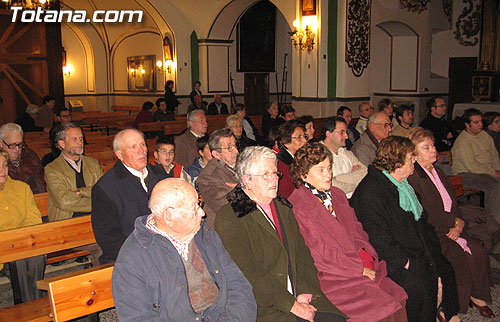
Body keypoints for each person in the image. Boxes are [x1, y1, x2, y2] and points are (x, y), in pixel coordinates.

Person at [215, 146, 348, 322]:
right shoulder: (231, 216)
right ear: (247, 180)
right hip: (265, 306)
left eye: (275, 173)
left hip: (298, 296)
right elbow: (248, 274)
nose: (273, 180)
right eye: (265, 175)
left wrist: (303, 294)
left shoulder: (281, 207)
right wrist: (291, 305)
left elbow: (302, 254)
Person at [288, 143, 408, 322]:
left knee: (398, 295)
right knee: (382, 306)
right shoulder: (298, 205)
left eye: (329, 168)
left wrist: (366, 258)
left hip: (355, 265)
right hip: (331, 277)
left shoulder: (337, 195)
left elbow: (358, 231)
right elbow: (319, 254)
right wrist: (358, 269)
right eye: (320, 170)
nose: (328, 174)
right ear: (303, 174)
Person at [112, 178, 257, 322]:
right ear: (168, 216)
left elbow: (238, 285)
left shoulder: (204, 234)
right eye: (194, 208)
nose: (202, 213)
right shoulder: (133, 257)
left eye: (199, 204)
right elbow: (137, 318)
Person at [350, 136, 460, 322]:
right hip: (394, 258)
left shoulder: (402, 185)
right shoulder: (371, 192)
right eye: (411, 158)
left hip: (416, 247)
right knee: (421, 283)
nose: (414, 161)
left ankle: (444, 313)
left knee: (445, 268)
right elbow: (377, 237)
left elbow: (421, 221)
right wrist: (405, 261)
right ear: (398, 163)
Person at [407, 127, 494, 317]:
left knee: (478, 251)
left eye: (433, 146)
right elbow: (424, 211)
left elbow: (452, 200)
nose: (433, 150)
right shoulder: (414, 176)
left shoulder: (436, 170)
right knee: (458, 257)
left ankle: (477, 295)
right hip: (434, 230)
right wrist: (451, 223)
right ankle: (456, 307)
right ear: (414, 153)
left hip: (452, 225)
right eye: (426, 147)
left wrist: (458, 221)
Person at [91, 129, 169, 264]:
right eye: (133, 147)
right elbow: (109, 239)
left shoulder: (161, 176)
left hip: (166, 248)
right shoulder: (106, 188)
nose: (141, 150)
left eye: (142, 144)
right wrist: (143, 257)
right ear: (120, 154)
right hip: (130, 257)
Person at [44, 123, 103, 266]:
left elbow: (104, 194)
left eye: (81, 138)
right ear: (61, 144)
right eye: (75, 139)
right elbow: (65, 202)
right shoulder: (52, 169)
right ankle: (101, 284)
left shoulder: (93, 164)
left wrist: (80, 192)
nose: (80, 142)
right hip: (68, 226)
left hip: (96, 221)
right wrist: (93, 195)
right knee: (104, 245)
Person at [0, 149, 45, 303]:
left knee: (36, 255)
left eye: (5, 165)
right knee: (19, 259)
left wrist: (21, 241)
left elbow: (33, 219)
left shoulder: (21, 188)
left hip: (22, 244)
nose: (3, 171)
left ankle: (31, 305)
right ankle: (32, 304)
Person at [452, 108, 500, 222]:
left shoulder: (484, 135)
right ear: (467, 125)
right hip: (465, 174)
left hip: (485, 171)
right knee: (493, 185)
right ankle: (494, 221)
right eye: (476, 122)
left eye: (481, 122)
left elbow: (494, 155)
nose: (480, 125)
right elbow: (472, 166)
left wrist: (497, 169)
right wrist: (493, 173)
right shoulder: (463, 141)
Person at [197, 128, 239, 227]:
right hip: (227, 228)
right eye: (229, 148)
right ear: (216, 154)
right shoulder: (207, 178)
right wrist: (243, 189)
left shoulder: (243, 163)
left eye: (235, 145)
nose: (236, 151)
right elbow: (229, 209)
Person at [321, 117, 366, 198]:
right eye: (342, 132)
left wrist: (338, 178)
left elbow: (365, 172)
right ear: (328, 134)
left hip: (354, 199)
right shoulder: (319, 154)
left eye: (346, 132)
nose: (346, 136)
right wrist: (355, 181)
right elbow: (331, 186)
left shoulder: (345, 152)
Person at [0, 123, 46, 194]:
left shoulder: (30, 155)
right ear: (0, 143)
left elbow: (43, 182)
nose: (17, 149)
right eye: (12, 145)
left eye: (20, 144)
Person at [276, 120, 307, 198]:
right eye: (299, 137)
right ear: (286, 142)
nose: (305, 141)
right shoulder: (280, 164)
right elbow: (286, 195)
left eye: (304, 136)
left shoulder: (302, 158)